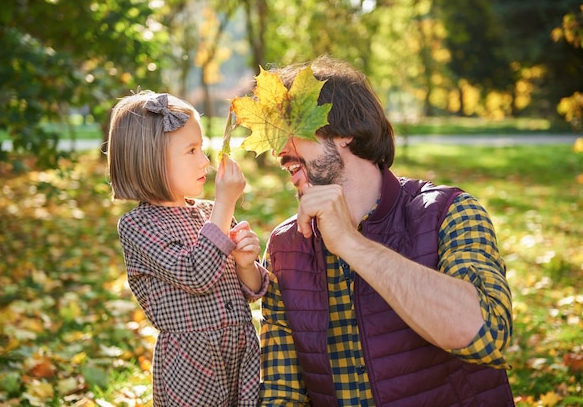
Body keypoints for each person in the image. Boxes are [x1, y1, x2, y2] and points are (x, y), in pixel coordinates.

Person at [257, 56, 514, 406]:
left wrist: (351, 243)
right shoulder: (285, 246)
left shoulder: (448, 213)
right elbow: (282, 393)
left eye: (293, 129)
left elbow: (485, 336)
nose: (279, 150)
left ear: (344, 131)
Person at [107, 91, 269, 406]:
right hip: (192, 362)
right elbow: (196, 274)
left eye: (202, 149)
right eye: (191, 151)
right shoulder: (138, 226)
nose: (205, 161)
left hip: (240, 348)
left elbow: (249, 291)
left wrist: (246, 265)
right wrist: (225, 203)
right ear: (150, 159)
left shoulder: (211, 212)